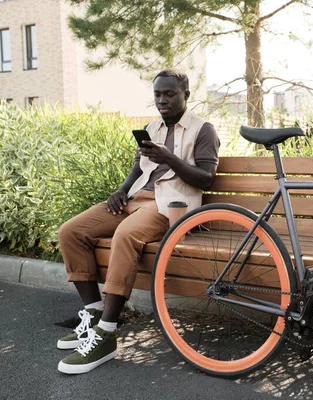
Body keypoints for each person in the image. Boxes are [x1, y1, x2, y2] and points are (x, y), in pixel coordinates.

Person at [56, 69, 220, 374]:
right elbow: (138, 169)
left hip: (170, 204)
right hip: (135, 199)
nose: (162, 100)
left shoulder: (203, 130)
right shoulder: (151, 127)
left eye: (169, 94)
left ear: (186, 94)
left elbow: (207, 179)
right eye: (158, 94)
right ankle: (93, 314)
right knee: (71, 231)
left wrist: (169, 158)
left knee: (124, 235)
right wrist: (120, 191)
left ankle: (107, 331)